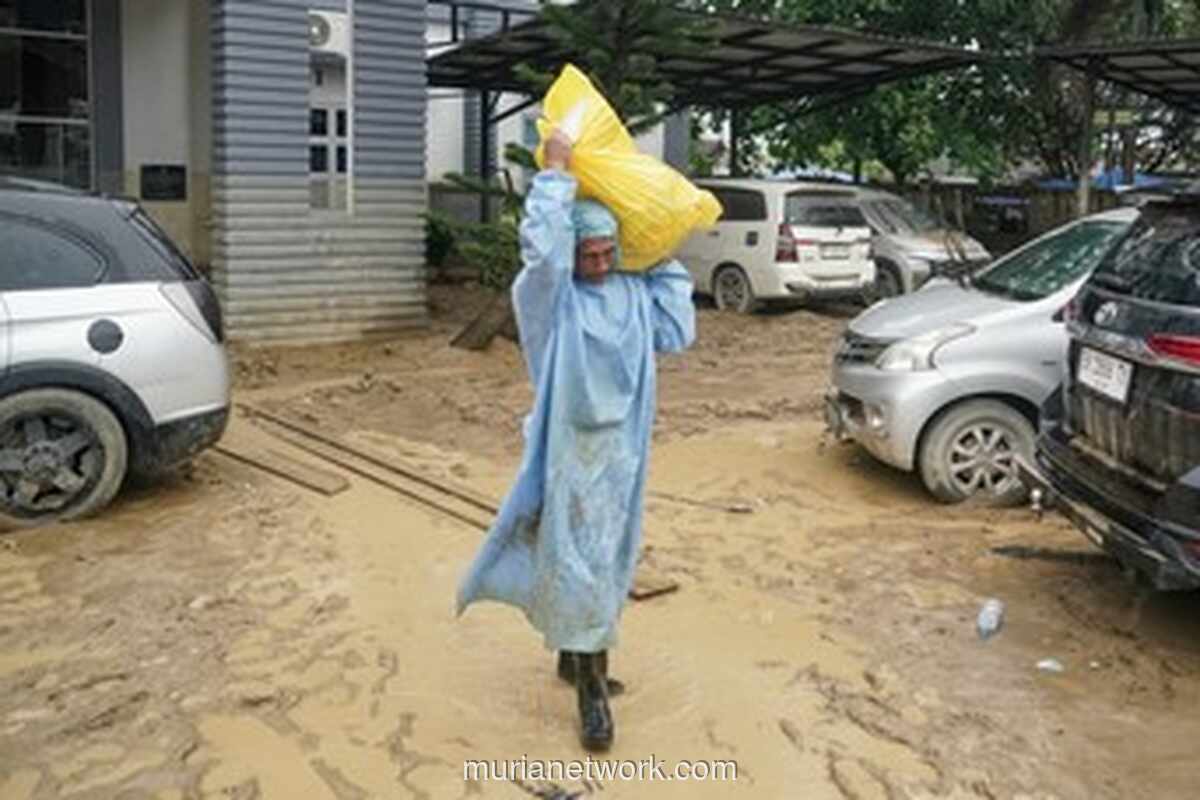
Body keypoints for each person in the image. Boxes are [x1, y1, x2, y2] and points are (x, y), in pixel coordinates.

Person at [455, 130, 696, 751]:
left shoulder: (634, 294)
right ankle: (593, 693)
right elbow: (541, 255)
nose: (597, 263)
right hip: (568, 456)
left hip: (623, 459)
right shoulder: (553, 304)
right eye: (586, 253)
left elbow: (677, 332)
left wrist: (660, 249)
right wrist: (556, 174)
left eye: (606, 252)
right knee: (581, 562)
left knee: (606, 561)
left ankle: (573, 656)